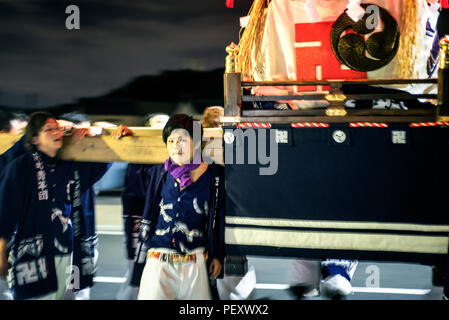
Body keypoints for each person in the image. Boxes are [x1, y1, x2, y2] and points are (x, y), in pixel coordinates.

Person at [0, 111, 110, 300]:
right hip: (31, 254)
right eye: (48, 130)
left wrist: (97, 137)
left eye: (58, 129)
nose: (56, 133)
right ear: (34, 139)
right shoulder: (20, 167)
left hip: (64, 250)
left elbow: (101, 164)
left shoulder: (70, 168)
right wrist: (1, 249)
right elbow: (5, 211)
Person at [115, 114, 225, 300]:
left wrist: (219, 255)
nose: (176, 146)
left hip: (195, 263)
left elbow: (220, 218)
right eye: (171, 140)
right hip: (158, 262)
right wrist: (129, 139)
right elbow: (133, 170)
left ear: (197, 142)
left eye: (182, 139)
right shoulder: (158, 173)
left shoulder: (215, 177)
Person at [115, 112, 169, 300]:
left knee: (159, 267)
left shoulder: (174, 152)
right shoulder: (137, 153)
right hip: (139, 212)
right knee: (136, 267)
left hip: (162, 215)